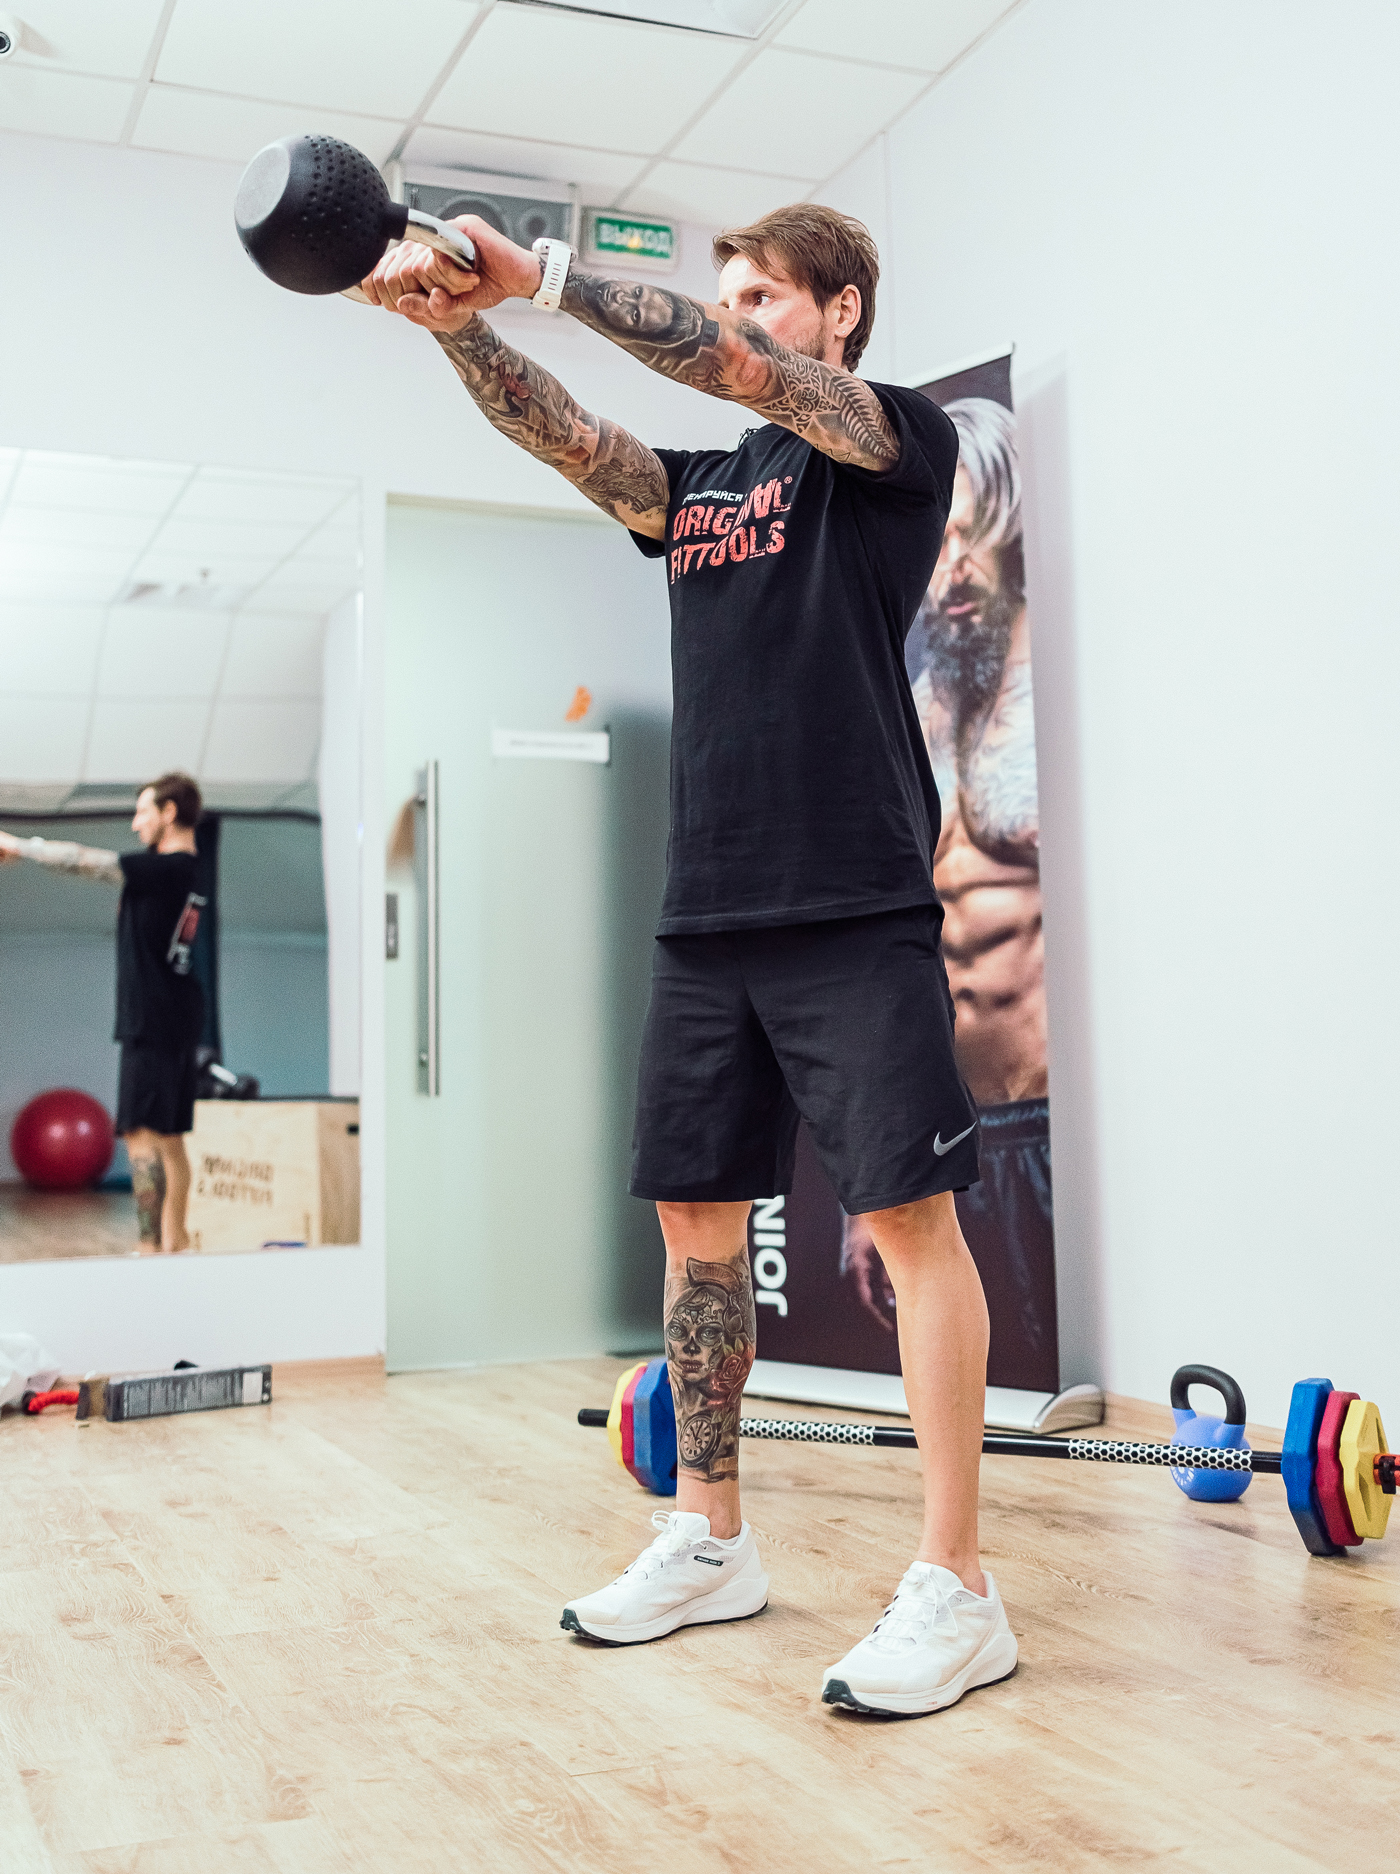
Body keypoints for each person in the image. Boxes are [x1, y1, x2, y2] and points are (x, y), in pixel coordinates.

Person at [358, 205, 1017, 1718]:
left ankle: (959, 1585)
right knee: (693, 1221)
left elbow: (736, 369)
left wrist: (545, 274)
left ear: (840, 312)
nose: (742, 314)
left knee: (908, 1221)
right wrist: (459, 328)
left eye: (767, 293)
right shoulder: (701, 494)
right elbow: (569, 438)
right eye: (733, 293)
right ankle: (712, 1538)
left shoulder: (891, 444)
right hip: (706, 909)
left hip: (849, 901)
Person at [841, 399, 1056, 1379]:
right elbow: (897, 939)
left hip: (1047, 1125)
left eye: (976, 536)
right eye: (938, 541)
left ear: (1011, 536)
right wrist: (869, 1183)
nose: (954, 567)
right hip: (946, 1123)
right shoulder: (917, 712)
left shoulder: (1050, 709)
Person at [0, 774, 207, 1254]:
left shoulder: (168, 868)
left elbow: (84, 861)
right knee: (170, 1138)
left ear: (169, 812)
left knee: (141, 1137)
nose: (136, 824)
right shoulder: (188, 871)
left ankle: (151, 1247)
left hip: (153, 1021)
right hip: (174, 1018)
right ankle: (177, 1243)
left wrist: (20, 847)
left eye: (143, 812)